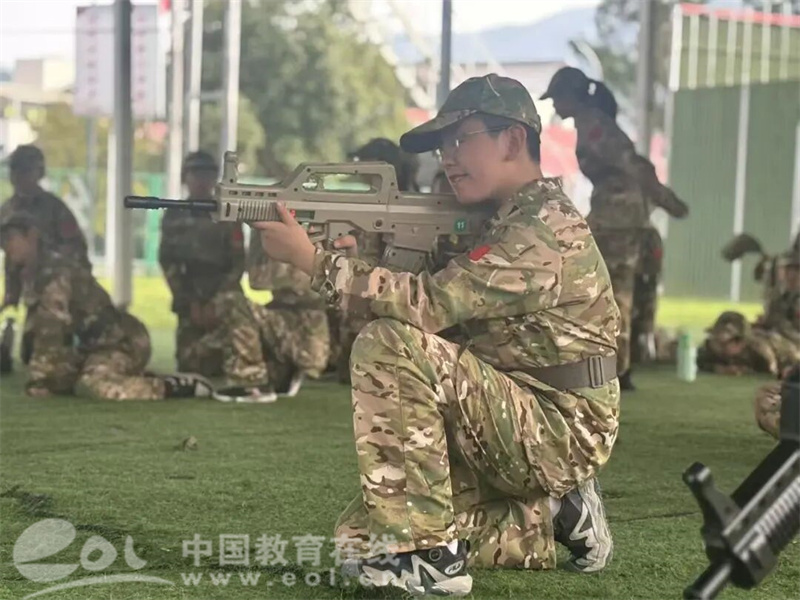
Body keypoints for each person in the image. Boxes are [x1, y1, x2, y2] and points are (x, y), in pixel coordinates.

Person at [253, 74, 620, 595]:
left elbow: (427, 305)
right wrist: (358, 253)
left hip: (560, 425)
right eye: (443, 146)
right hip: (506, 414)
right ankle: (553, 515)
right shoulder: (494, 219)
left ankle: (429, 560)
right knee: (359, 540)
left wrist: (314, 263)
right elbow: (419, 300)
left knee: (388, 344)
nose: (447, 158)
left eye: (460, 140)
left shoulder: (541, 228)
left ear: (513, 140)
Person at [541, 66, 689, 390]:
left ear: (571, 96)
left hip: (617, 221)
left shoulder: (595, 126)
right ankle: (621, 366)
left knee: (615, 292)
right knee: (617, 291)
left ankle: (618, 369)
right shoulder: (591, 124)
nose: (554, 105)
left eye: (556, 98)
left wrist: (667, 201)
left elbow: (634, 166)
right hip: (618, 217)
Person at [0, 210, 212, 400]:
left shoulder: (55, 272)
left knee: (95, 385)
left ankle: (173, 387)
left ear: (32, 236)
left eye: (10, 239)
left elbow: (51, 331)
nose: (5, 247)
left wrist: (39, 382)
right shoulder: (27, 272)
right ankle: (133, 376)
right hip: (88, 347)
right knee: (60, 378)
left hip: (121, 341)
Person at [0, 145, 90, 364]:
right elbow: (11, 257)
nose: (18, 176)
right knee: (29, 354)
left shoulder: (55, 209)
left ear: (39, 173)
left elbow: (77, 251)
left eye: (25, 170)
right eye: (14, 170)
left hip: (56, 289)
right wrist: (11, 295)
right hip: (28, 291)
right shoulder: (7, 210)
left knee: (42, 355)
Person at [696, 311, 800, 376]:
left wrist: (746, 370)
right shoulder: (710, 348)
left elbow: (770, 371)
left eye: (724, 344)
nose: (718, 347)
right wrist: (719, 369)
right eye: (716, 340)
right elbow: (700, 363)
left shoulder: (759, 350)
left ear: (741, 343)